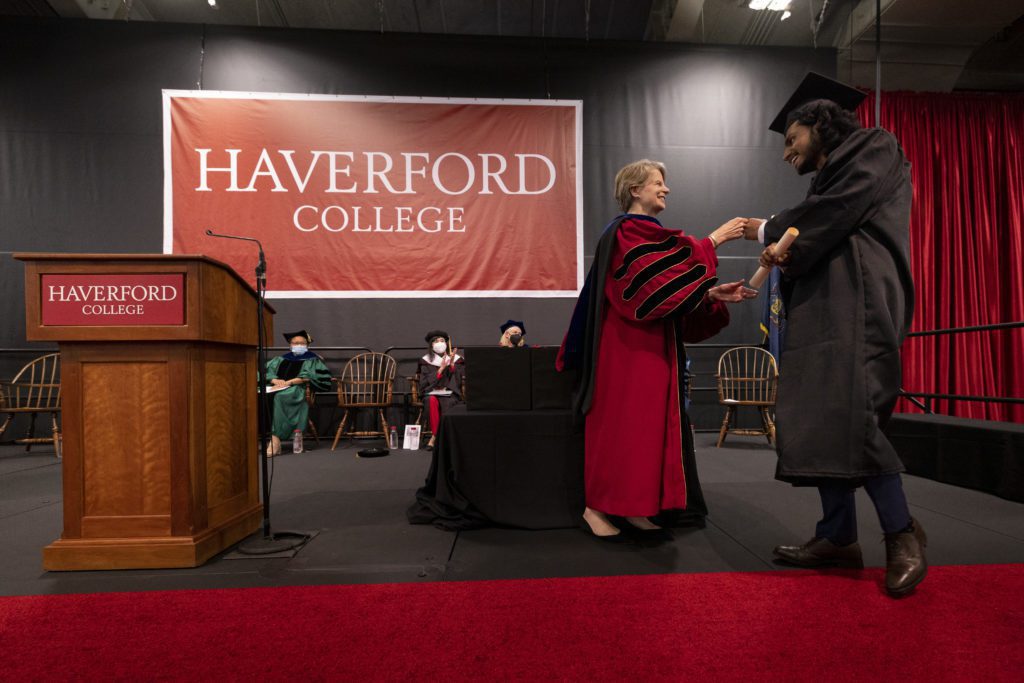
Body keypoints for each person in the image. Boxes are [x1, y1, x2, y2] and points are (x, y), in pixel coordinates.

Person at [744, 72, 925, 597]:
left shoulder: (875, 146)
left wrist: (768, 230)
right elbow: (817, 224)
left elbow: (833, 212)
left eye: (791, 138)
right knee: (820, 416)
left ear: (819, 123)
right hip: (827, 304)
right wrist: (786, 250)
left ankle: (901, 532)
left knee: (851, 414)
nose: (786, 154)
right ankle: (838, 535)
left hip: (860, 300)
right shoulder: (826, 181)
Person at [557, 159, 756, 540]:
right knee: (620, 429)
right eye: (658, 183)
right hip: (626, 348)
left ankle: (635, 507)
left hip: (654, 344)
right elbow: (649, 287)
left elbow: (665, 290)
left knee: (648, 432)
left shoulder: (647, 233)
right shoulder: (628, 232)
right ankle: (595, 507)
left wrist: (710, 293)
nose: (665, 189)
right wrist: (714, 240)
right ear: (635, 190)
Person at [265, 330, 332, 456]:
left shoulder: (312, 359)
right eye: (295, 343)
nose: (298, 345)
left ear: (307, 345)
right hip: (278, 386)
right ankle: (269, 439)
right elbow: (265, 372)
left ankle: (275, 441)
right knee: (261, 396)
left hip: (298, 389)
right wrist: (274, 380)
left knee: (280, 397)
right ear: (290, 345)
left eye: (302, 343)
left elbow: (308, 376)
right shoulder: (280, 359)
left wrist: (288, 382)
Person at [418, 330, 464, 451]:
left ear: (446, 343)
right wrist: (441, 369)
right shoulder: (426, 360)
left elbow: (458, 381)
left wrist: (452, 365)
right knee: (431, 400)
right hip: (431, 392)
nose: (440, 343)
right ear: (431, 345)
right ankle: (440, 436)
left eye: (442, 341)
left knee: (448, 402)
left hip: (449, 392)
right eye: (436, 341)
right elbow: (424, 382)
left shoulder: (456, 359)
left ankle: (434, 438)